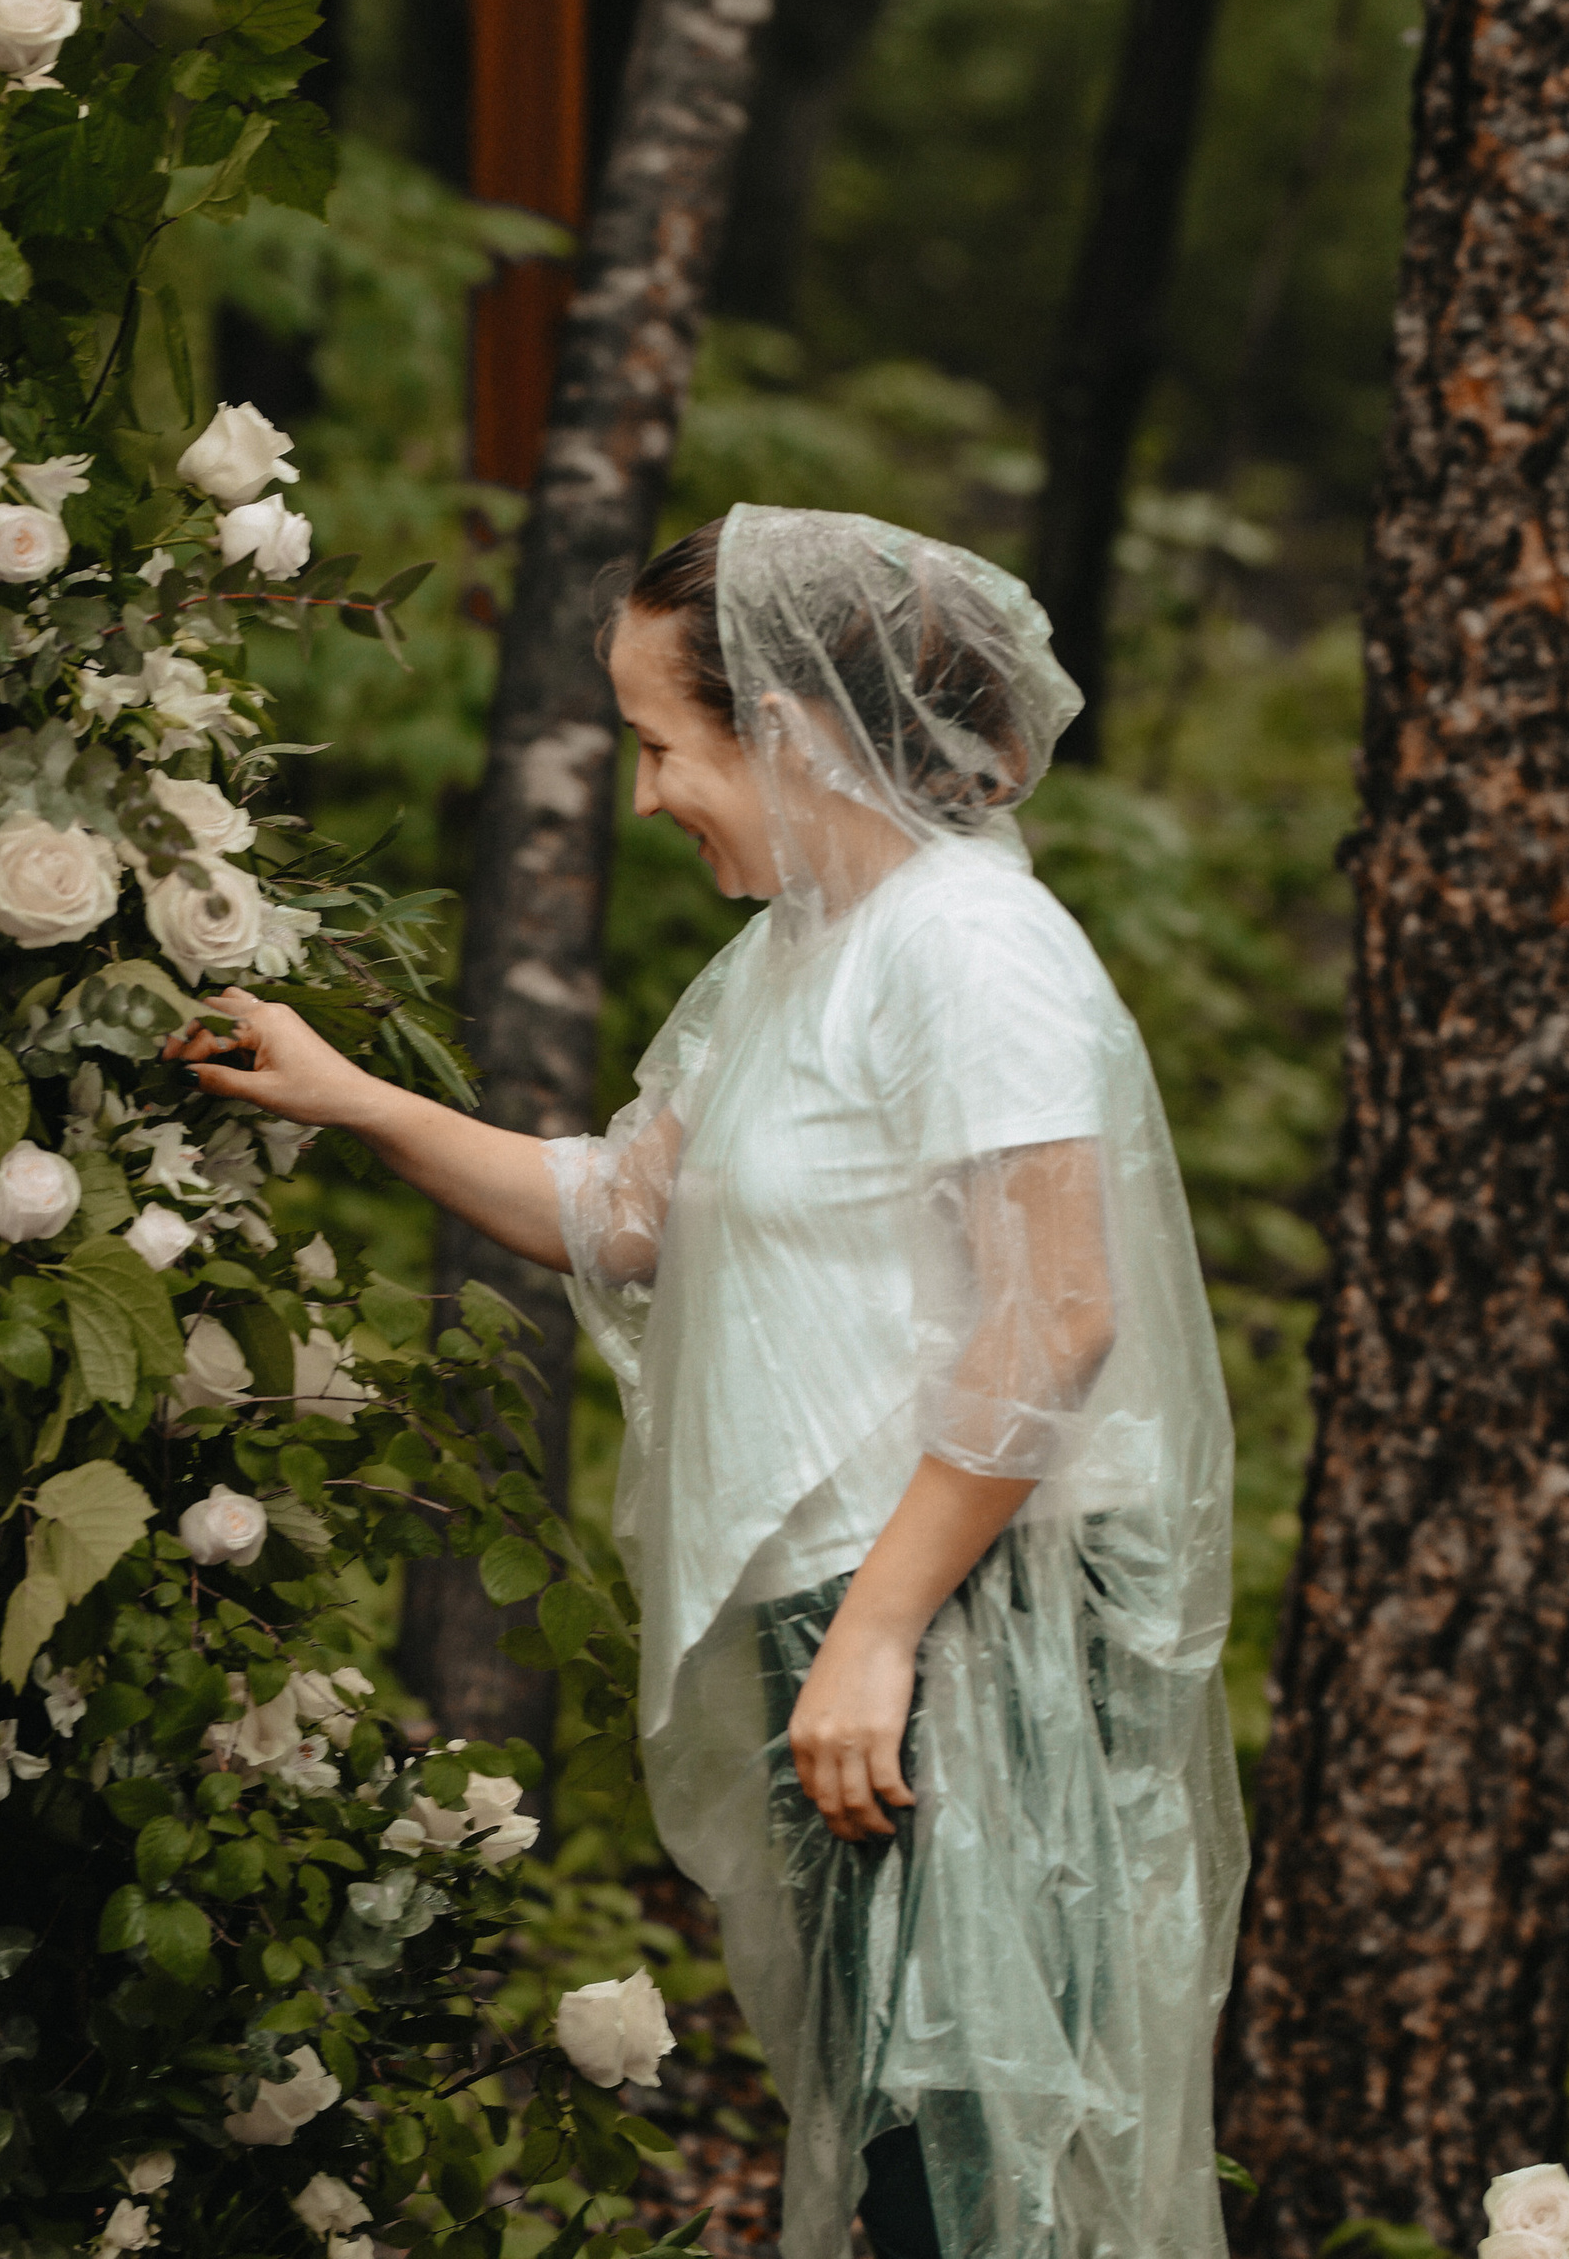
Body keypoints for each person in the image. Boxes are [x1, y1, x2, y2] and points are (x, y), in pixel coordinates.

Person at [174, 502, 1245, 2259]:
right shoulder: (795, 954)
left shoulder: (969, 950)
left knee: (972, 2161)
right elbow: (626, 1208)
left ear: (800, 732)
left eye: (668, 748)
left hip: (966, 1614)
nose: (653, 795)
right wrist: (352, 1096)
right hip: (878, 1617)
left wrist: (883, 1631)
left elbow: (1055, 1313)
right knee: (907, 2131)